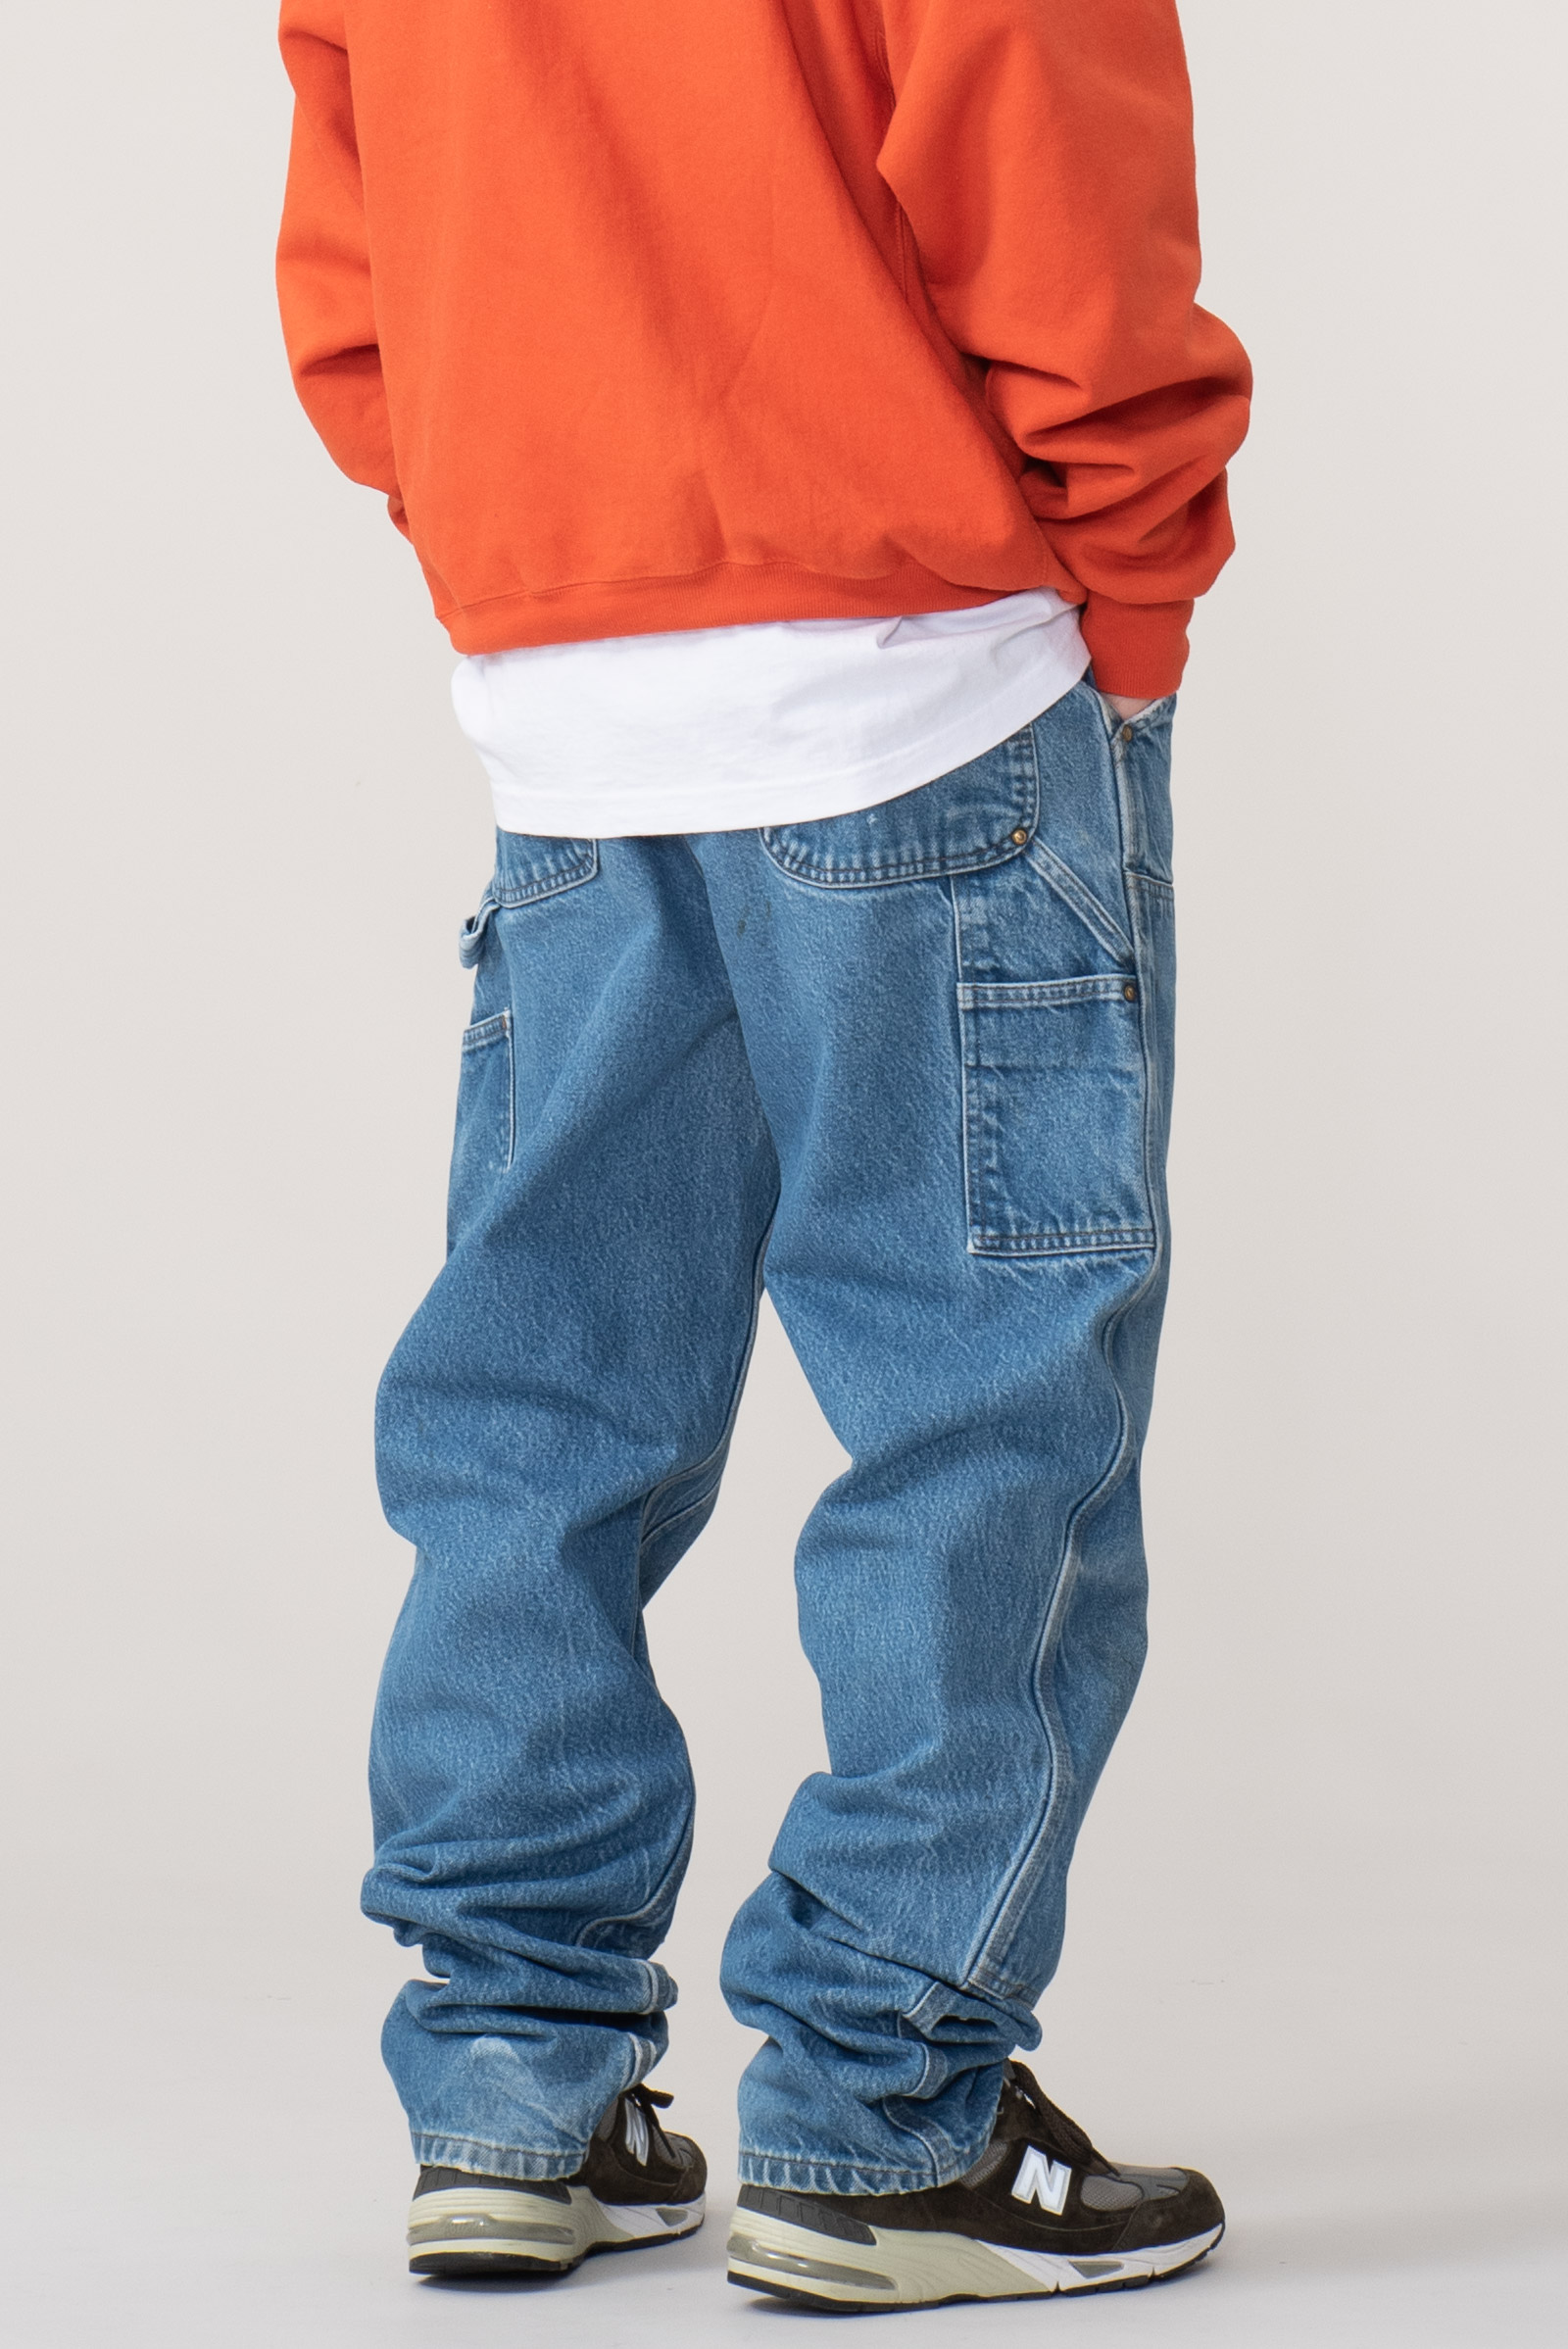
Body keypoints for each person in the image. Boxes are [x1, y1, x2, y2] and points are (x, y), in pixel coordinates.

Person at [275, 0, 1250, 2312]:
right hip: (921, 678)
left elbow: (353, 269)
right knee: (981, 1416)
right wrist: (1132, 585)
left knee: (540, 1410)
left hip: (574, 701)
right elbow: (1053, 184)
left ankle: (513, 2083)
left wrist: (539, 539)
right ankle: (881, 2113)